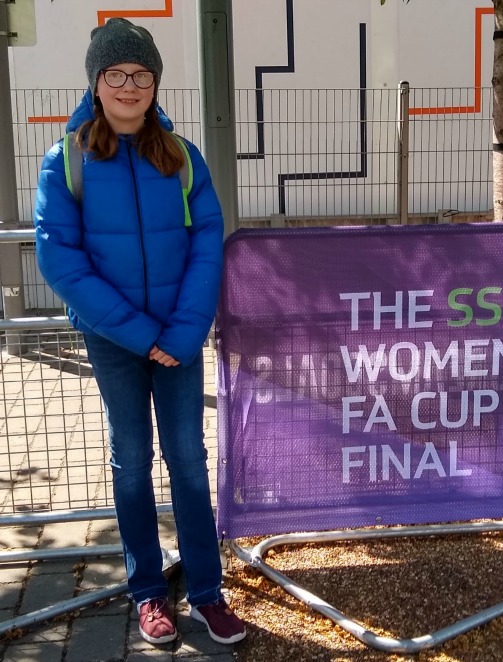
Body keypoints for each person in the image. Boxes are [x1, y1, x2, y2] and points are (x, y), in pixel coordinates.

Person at [33, 18, 246, 646]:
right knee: (131, 465)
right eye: (116, 74)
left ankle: (206, 593)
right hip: (114, 340)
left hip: (177, 341)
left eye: (141, 74)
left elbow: (208, 242)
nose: (129, 85)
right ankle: (148, 592)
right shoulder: (66, 160)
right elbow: (60, 260)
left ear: (156, 84)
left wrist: (179, 333)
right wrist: (139, 332)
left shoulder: (181, 158)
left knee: (188, 461)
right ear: (96, 85)